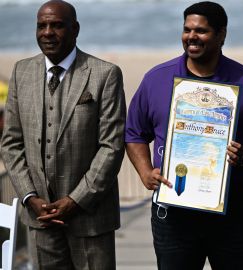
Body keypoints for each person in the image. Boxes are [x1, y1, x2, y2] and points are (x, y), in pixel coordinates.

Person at [124, 2, 243, 269]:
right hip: (173, 213)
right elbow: (134, 132)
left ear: (222, 35)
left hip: (233, 212)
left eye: (201, 31)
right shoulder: (156, 79)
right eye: (187, 29)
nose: (192, 36)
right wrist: (145, 171)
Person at [0, 0, 126, 268]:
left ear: (75, 29)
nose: (48, 32)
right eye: (41, 26)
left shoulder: (105, 74)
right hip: (40, 218)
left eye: (57, 25)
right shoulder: (22, 71)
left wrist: (75, 201)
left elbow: (111, 147)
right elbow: (11, 142)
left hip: (90, 218)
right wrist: (29, 197)